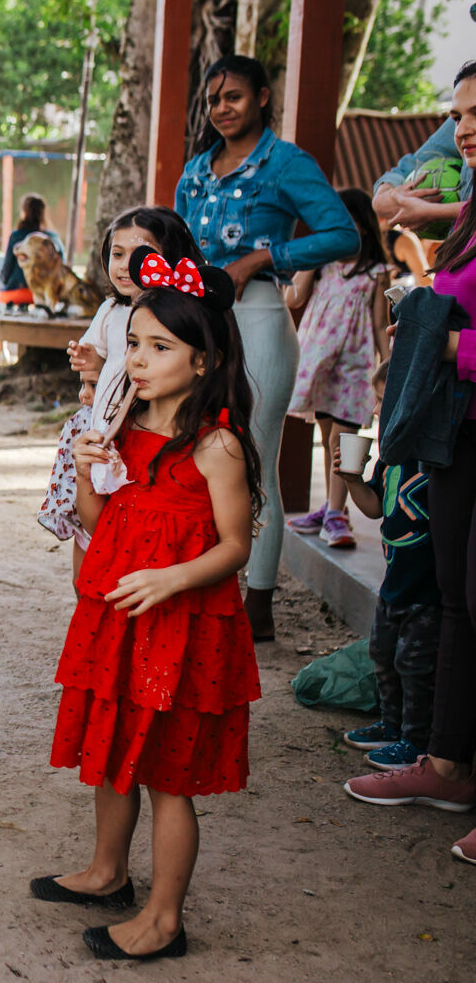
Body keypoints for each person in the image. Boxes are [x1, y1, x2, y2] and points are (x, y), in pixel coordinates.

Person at [36, 248, 262, 961]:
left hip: (182, 627)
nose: (137, 358)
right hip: (122, 623)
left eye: (160, 347)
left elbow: (236, 547)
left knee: (167, 778)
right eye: (132, 343)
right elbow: (105, 526)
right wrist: (85, 470)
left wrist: (172, 579)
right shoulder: (125, 434)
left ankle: (165, 920)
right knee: (110, 758)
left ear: (203, 361)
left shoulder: (217, 445)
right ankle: (107, 873)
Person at [174, 54, 357, 641]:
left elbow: (343, 233)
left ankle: (257, 607)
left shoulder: (285, 163)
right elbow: (175, 245)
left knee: (253, 460)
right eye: (213, 100)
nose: (221, 108)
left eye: (233, 97)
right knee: (200, 457)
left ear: (262, 98)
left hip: (258, 320)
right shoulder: (196, 170)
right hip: (200, 325)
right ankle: (210, 587)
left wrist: (263, 258)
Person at [343, 60, 476, 866]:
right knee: (457, 599)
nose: (463, 127)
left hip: (459, 396)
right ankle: (448, 765)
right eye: (459, 113)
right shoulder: (469, 206)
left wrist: (448, 341)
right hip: (455, 425)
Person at [333, 362, 439, 770]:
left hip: (426, 587)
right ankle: (390, 724)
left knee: (415, 663)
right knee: (383, 651)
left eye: (382, 401)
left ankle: (416, 739)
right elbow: (375, 507)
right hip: (393, 581)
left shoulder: (433, 464)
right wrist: (354, 479)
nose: (375, 410)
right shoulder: (391, 457)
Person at [41, 207, 155, 581]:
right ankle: (86, 599)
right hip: (98, 435)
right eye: (117, 254)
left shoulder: (167, 315)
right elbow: (94, 364)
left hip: (138, 437)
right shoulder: (110, 309)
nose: (125, 266)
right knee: (90, 537)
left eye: (139, 255)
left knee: (126, 531)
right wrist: (90, 362)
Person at [285, 188, 392, 551]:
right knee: (329, 429)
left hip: (354, 364)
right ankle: (333, 509)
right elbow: (293, 298)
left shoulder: (376, 271)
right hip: (320, 361)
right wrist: (310, 258)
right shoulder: (323, 264)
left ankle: (334, 510)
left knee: (342, 438)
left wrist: (387, 363)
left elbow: (380, 323)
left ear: (362, 227)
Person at [373, 115, 472, 233]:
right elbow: (411, 165)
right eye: (457, 118)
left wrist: (435, 212)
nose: (460, 131)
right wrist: (384, 195)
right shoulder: (460, 125)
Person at [0, 195, 61, 311]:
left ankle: (21, 308)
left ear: (24, 212)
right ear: (43, 214)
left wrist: (2, 282)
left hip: (19, 292)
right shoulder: (53, 238)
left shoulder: (16, 236)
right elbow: (61, 264)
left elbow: (7, 269)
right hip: (48, 293)